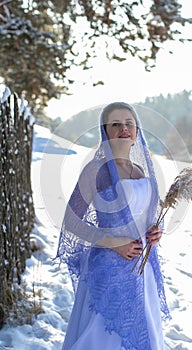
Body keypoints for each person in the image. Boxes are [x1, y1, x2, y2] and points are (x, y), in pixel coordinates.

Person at [56, 102, 170, 350]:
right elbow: (71, 220)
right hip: (108, 270)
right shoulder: (96, 170)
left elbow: (144, 217)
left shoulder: (141, 171)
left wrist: (154, 232)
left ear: (137, 131)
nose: (124, 129)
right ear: (104, 131)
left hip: (143, 271)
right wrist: (113, 243)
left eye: (129, 123)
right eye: (116, 124)